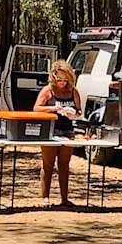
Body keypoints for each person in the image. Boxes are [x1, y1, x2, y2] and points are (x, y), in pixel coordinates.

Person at [35, 59, 83, 206]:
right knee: (48, 164)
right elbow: (36, 108)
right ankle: (45, 198)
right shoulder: (47, 91)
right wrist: (53, 109)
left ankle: (64, 199)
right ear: (53, 76)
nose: (62, 82)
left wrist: (74, 114)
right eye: (59, 78)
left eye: (65, 79)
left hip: (68, 132)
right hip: (50, 131)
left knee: (64, 165)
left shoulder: (73, 91)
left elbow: (79, 110)